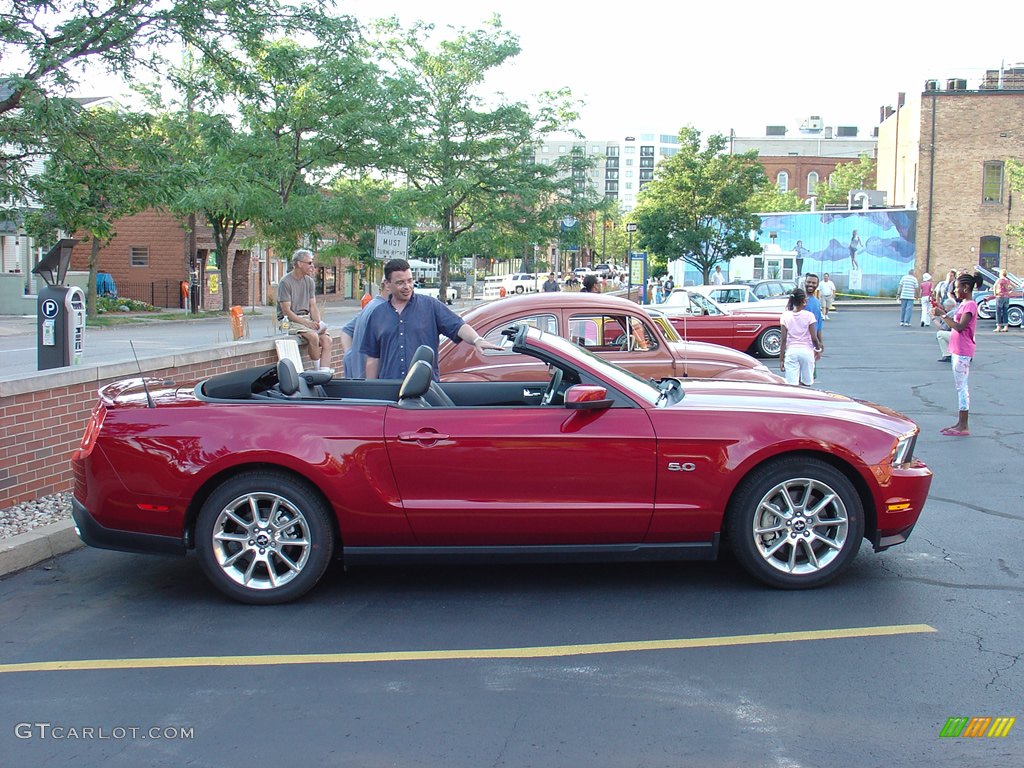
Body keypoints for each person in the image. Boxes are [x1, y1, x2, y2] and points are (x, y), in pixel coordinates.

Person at [361, 258, 500, 380]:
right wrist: (373, 390)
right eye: (400, 283)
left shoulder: (430, 306)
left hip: (424, 389)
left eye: (410, 281)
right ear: (387, 284)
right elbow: (373, 358)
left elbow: (458, 326)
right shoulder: (377, 314)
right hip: (390, 391)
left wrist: (477, 340)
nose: (407, 286)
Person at [277, 248, 333, 373]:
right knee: (313, 337)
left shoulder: (309, 282)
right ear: (299, 263)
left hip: (306, 318)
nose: (312, 266)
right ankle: (317, 371)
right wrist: (307, 324)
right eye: (309, 263)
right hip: (289, 320)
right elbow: (286, 311)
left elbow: (312, 305)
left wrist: (318, 323)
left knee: (327, 340)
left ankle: (324, 372)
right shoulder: (285, 282)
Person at [937, 273, 979, 436]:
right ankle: (960, 422)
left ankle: (964, 425)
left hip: (963, 350)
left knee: (962, 387)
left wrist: (942, 314)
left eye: (957, 287)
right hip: (957, 348)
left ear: (966, 288)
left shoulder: (970, 306)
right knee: (959, 386)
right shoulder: (964, 304)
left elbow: (960, 327)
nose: (955, 290)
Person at [340, 279, 389, 378]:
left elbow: (346, 331)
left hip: (358, 378)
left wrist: (350, 356)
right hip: (370, 380)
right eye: (400, 282)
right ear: (387, 285)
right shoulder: (381, 310)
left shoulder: (371, 306)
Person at [778, 288, 822, 387]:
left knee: (792, 385)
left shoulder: (785, 316)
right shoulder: (809, 316)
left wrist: (781, 359)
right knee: (807, 382)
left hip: (791, 352)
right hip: (807, 352)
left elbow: (783, 339)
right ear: (803, 301)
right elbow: (814, 338)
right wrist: (818, 350)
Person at [932, 296, 956, 362]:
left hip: (958, 336)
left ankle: (947, 354)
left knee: (940, 334)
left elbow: (943, 328)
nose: (945, 309)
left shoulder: (951, 313)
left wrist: (933, 318)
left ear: (949, 306)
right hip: (967, 336)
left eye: (945, 307)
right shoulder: (958, 310)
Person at [993, 267, 1012, 332]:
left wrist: (995, 293)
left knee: (998, 312)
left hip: (1000, 296)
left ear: (1001, 274)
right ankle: (1006, 326)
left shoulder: (999, 280)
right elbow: (1015, 287)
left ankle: (998, 327)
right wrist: (1010, 292)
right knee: (1005, 312)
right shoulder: (1007, 280)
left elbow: (995, 286)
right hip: (1006, 297)